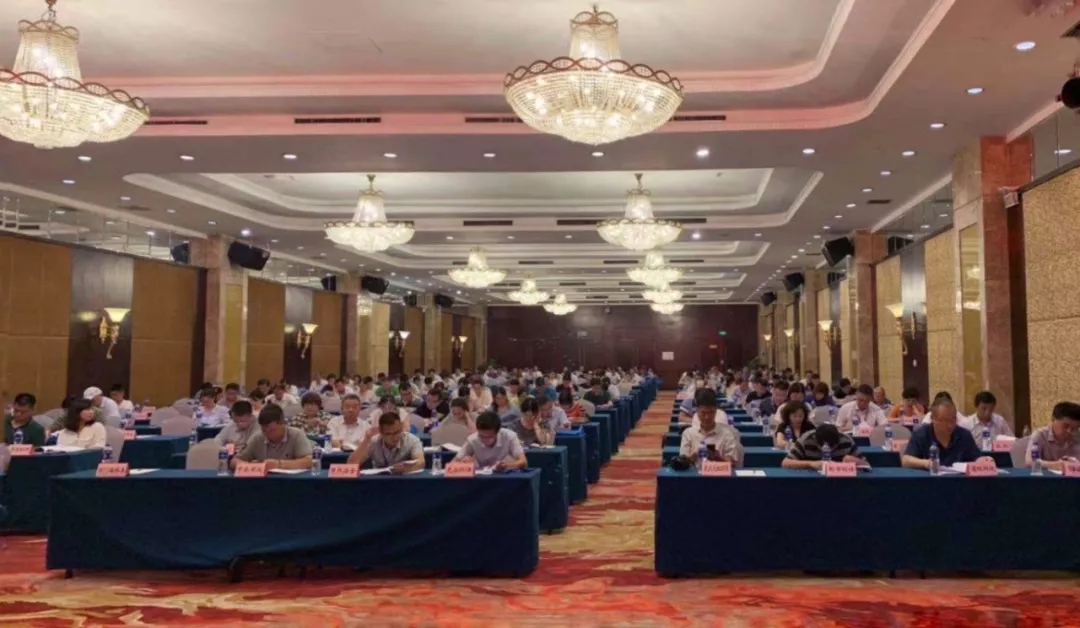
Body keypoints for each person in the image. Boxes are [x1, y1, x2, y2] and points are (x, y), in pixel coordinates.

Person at [902, 398, 992, 470]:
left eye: (953, 419)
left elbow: (976, 457)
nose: (950, 425)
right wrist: (926, 463)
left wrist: (985, 460)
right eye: (944, 420)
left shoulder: (964, 435)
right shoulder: (921, 434)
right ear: (932, 419)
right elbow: (906, 460)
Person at [232, 404, 313, 470]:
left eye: (272, 430)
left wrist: (279, 464)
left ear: (283, 424)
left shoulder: (296, 435)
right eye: (264, 430)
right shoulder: (258, 437)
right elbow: (234, 461)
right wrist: (251, 467)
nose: (267, 434)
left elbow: (309, 461)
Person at [347, 411, 424, 473]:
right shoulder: (374, 441)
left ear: (401, 427)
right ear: (381, 433)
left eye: (397, 432)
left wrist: (407, 468)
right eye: (389, 434)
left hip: (404, 481)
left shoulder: (412, 440)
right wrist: (366, 439)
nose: (395, 437)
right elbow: (351, 465)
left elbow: (421, 462)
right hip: (377, 482)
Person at [678, 389, 740, 464]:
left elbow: (732, 464)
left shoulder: (727, 434)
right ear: (697, 411)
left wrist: (718, 458)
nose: (707, 417)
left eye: (711, 412)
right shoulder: (688, 434)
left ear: (716, 410)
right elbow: (683, 463)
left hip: (719, 471)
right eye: (703, 413)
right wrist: (696, 454)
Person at [455, 411, 528, 471]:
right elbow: (454, 462)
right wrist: (463, 463)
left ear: (497, 432)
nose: (484, 440)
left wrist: (508, 465)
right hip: (483, 477)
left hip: (505, 476)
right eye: (481, 436)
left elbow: (524, 462)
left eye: (489, 437)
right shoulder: (473, 439)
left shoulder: (509, 436)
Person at [782, 423, 865, 470]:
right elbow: (785, 463)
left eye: (832, 447)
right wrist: (810, 464)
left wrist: (856, 461)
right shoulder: (806, 439)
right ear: (815, 439)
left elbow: (866, 465)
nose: (828, 450)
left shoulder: (846, 440)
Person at [1025, 401, 1080, 470]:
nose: (1070, 431)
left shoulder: (1077, 437)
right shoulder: (1040, 435)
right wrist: (1056, 465)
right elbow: (1029, 462)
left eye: (1075, 428)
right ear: (1053, 419)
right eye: (1066, 426)